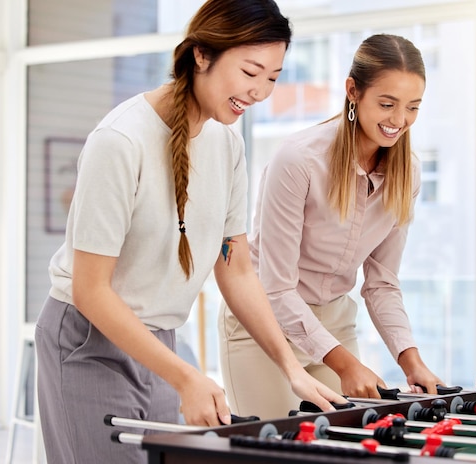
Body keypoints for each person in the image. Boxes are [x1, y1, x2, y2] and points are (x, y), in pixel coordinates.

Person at [34, 1, 347, 463]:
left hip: (160, 340)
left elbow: (236, 269)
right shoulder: (120, 141)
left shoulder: (227, 143)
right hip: (88, 340)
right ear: (202, 55)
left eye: (273, 77)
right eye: (250, 71)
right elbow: (90, 290)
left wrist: (290, 367)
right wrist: (184, 378)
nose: (260, 90)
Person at [219, 33, 447, 420]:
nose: (399, 120)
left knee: (344, 447)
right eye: (387, 104)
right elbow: (276, 287)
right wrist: (345, 366)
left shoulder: (408, 175)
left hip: (334, 325)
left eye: (412, 107)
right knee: (280, 452)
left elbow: (381, 283)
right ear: (353, 91)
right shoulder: (299, 161)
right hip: (264, 327)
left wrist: (411, 361)